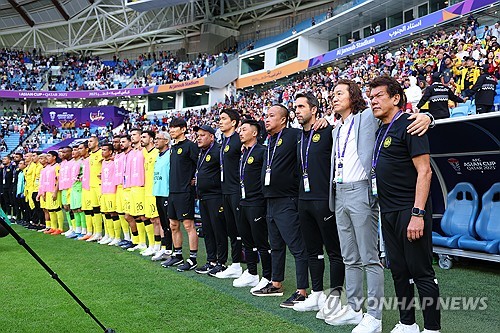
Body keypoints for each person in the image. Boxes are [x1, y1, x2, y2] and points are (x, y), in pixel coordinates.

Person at [370, 76, 440, 333]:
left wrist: (417, 214)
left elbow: (425, 172)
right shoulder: (380, 129)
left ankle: (432, 328)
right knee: (398, 270)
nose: (373, 100)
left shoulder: (410, 123)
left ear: (396, 98)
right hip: (387, 212)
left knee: (421, 271)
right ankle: (407, 323)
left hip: (410, 210)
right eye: (371, 96)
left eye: (378, 96)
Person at [292, 92, 345, 314]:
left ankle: (335, 298)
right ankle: (316, 294)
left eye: (302, 106)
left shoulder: (328, 131)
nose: (297, 110)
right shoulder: (298, 137)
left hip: (324, 200)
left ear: (314, 110)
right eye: (295, 107)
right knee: (312, 250)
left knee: (334, 251)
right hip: (303, 201)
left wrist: (330, 120)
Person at [232, 119, 272, 291]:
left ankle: (268, 276)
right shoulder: (244, 152)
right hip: (243, 201)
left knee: (261, 241)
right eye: (240, 130)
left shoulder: (262, 151)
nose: (240, 132)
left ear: (254, 133)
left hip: (257, 202)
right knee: (247, 240)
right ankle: (252, 273)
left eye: (244, 130)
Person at [161, 118, 199, 272]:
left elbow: (200, 164)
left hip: (185, 192)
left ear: (183, 129)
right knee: (173, 225)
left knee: (188, 225)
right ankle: (177, 255)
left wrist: (196, 178)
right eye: (170, 128)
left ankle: (193, 259)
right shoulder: (173, 148)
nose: (171, 130)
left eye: (175, 128)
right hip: (173, 191)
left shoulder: (190, 146)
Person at [192, 125, 228, 275]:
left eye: (202, 135)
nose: (198, 138)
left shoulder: (218, 150)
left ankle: (222, 262)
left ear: (211, 137)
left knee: (218, 230)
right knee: (207, 230)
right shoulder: (201, 152)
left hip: (215, 196)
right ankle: (211, 260)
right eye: (198, 135)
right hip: (203, 196)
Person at [217, 109, 244, 279]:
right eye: (219, 118)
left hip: (236, 190)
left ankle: (247, 267)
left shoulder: (238, 139)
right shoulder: (224, 141)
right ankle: (235, 264)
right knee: (231, 229)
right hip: (225, 190)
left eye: (223, 119)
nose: (220, 121)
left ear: (233, 122)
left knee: (241, 230)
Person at [123, 128, 147, 252]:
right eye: (131, 135)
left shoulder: (144, 151)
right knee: (133, 216)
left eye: (135, 134)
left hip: (141, 187)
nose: (132, 137)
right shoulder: (131, 153)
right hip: (131, 187)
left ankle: (148, 243)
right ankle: (138, 241)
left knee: (143, 216)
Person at [151, 131, 173, 261]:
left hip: (166, 193)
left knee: (169, 224)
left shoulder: (170, 155)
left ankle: (171, 250)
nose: (156, 141)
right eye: (156, 138)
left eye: (159, 138)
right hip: (158, 192)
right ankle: (166, 248)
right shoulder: (158, 156)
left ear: (166, 141)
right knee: (163, 224)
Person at [139, 130, 161, 256]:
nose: (142, 139)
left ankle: (161, 247)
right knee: (152, 219)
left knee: (157, 219)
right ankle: (153, 245)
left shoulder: (157, 152)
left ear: (151, 139)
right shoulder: (145, 153)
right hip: (147, 190)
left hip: (155, 190)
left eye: (144, 137)